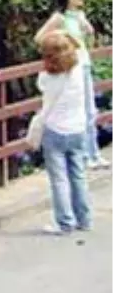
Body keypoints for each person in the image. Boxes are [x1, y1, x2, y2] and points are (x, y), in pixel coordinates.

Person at [35, 0, 109, 169]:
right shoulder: (59, 18)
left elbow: (90, 33)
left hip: (84, 64)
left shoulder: (79, 15)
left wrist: (84, 23)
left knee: (90, 111)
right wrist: (61, 39)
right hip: (70, 68)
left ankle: (93, 153)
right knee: (80, 111)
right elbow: (39, 38)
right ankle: (83, 156)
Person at [37, 31, 93, 234]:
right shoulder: (78, 70)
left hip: (54, 130)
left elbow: (42, 89)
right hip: (78, 129)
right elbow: (79, 46)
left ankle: (65, 222)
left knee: (59, 179)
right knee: (78, 175)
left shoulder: (46, 78)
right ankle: (84, 219)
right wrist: (66, 34)